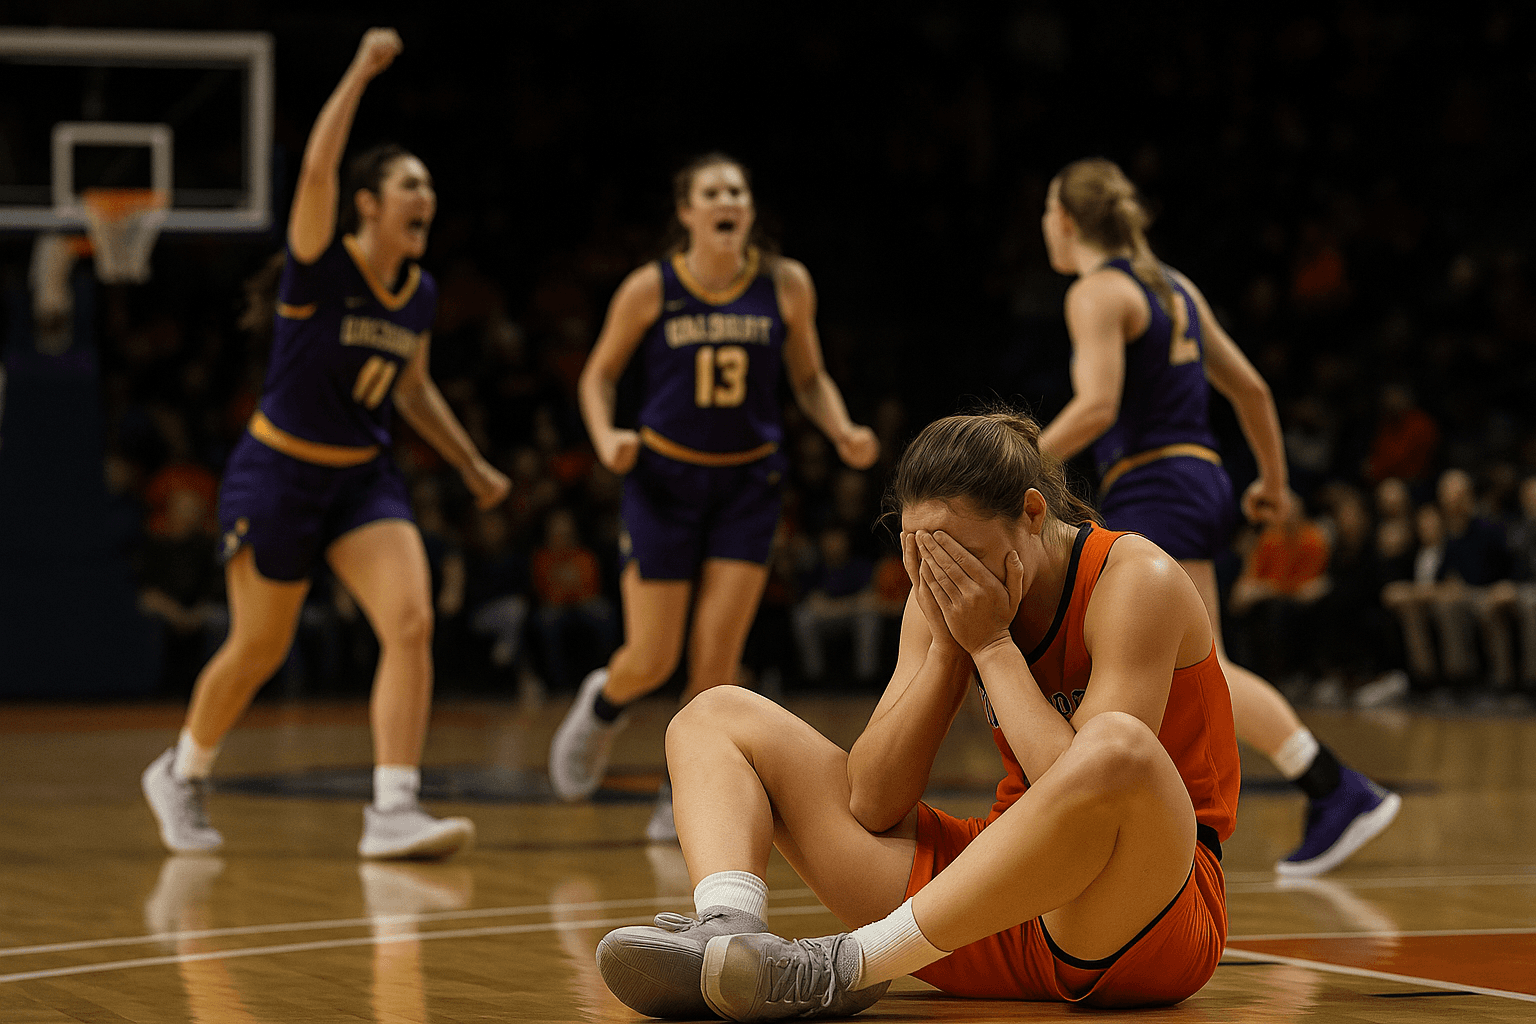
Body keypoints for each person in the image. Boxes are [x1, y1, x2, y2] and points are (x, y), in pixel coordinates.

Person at [594, 411, 1238, 1020]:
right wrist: (948, 657)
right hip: (981, 909)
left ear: (1033, 514)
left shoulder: (1137, 580)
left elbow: (1081, 797)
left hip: (1137, 918)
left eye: (959, 552)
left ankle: (847, 967)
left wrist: (991, 646)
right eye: (920, 553)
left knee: (1117, 747)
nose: (941, 572)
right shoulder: (944, 591)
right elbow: (872, 803)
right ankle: (727, 938)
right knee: (712, 713)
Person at [141, 29, 509, 860]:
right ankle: (182, 773)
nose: (427, 196)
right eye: (410, 183)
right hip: (277, 476)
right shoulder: (319, 268)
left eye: (430, 186)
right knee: (259, 647)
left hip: (361, 484)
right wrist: (360, 70)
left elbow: (411, 389)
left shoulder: (418, 293)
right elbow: (314, 173)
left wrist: (470, 463)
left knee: (410, 621)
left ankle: (392, 809)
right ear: (369, 202)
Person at [1034, 157, 1398, 877]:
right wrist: (1273, 481)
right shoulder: (1177, 288)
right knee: (1184, 664)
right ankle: (1276, 798)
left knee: (1185, 664)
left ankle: (1327, 786)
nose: (1044, 225)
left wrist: (1009, 463)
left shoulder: (1097, 291)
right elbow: (1254, 390)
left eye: (1047, 211)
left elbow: (1100, 405)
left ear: (1069, 222)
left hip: (1155, 481)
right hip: (1199, 474)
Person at [549, 153, 878, 840]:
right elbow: (598, 375)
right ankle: (605, 704)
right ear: (688, 212)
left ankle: (683, 793)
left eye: (738, 190)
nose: (728, 199)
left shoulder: (786, 284)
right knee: (653, 657)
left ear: (749, 210)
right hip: (664, 481)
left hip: (748, 485)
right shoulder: (651, 287)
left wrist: (841, 428)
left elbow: (810, 378)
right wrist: (605, 434)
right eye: (713, 191)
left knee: (716, 661)